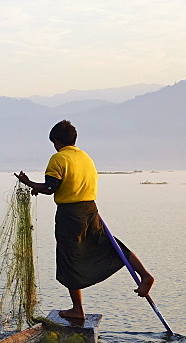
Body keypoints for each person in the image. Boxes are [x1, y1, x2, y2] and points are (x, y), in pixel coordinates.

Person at [16, 120, 154, 321]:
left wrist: (28, 182)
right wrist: (39, 187)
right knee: (112, 245)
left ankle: (77, 309)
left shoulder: (58, 158)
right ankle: (145, 275)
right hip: (90, 210)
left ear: (56, 141)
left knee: (69, 257)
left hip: (71, 215)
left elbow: (50, 187)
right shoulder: (85, 157)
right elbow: (67, 184)